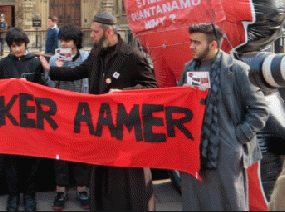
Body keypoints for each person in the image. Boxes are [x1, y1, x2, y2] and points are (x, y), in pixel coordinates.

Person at [40, 12, 158, 211]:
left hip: (124, 132)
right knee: (101, 180)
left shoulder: (131, 55)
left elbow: (152, 87)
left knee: (127, 185)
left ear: (108, 32)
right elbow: (77, 72)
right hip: (101, 129)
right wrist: (50, 70)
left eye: (95, 32)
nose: (91, 35)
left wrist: (124, 92)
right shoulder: (96, 54)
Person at [179, 23, 269, 211]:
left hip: (227, 155)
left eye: (196, 42)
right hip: (196, 154)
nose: (191, 46)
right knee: (198, 203)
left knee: (231, 204)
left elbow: (260, 109)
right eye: (190, 41)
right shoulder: (188, 69)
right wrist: (183, 95)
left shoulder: (236, 69)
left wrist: (238, 138)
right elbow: (182, 110)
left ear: (213, 45)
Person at [0, 28, 46, 212]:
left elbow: (43, 90)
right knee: (11, 162)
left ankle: (30, 196)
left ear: (26, 43)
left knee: (32, 161)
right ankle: (13, 196)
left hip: (31, 119)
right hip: (10, 120)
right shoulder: (3, 64)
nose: (17, 49)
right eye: (13, 46)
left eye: (20, 45)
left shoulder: (35, 63)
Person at [45, 25, 91, 211]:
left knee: (81, 151)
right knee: (61, 153)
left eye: (67, 40)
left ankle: (82, 189)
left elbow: (87, 82)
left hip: (81, 111)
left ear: (75, 42)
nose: (63, 43)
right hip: (61, 113)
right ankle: (61, 190)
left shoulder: (86, 58)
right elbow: (50, 85)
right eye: (61, 40)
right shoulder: (56, 59)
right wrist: (56, 70)